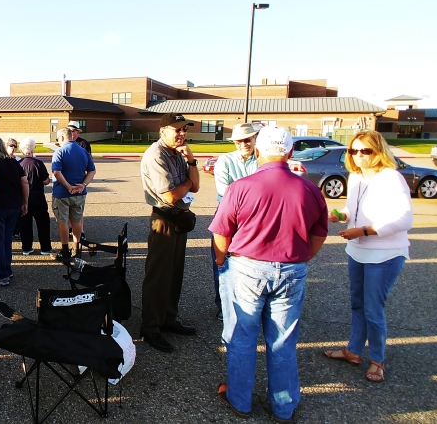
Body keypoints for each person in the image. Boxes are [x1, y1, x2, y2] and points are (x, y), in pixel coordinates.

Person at [209, 126, 328, 423]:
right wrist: (302, 258)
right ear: (290, 151)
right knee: (282, 339)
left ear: (259, 150)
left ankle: (240, 400)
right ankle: (283, 406)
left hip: (247, 268)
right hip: (291, 269)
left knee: (242, 335)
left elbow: (221, 233)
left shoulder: (241, 187)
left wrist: (222, 261)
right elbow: (319, 234)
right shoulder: (309, 189)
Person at [323, 131, 413, 384]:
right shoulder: (356, 177)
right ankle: (353, 350)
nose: (358, 155)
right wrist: (341, 215)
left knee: (373, 309)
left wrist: (364, 230)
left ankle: (377, 360)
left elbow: (404, 219)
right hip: (357, 251)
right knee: (357, 304)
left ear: (378, 151)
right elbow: (353, 208)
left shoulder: (391, 178)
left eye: (365, 151)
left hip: (385, 253)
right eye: (353, 151)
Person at [138, 113, 201, 353]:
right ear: (163, 130)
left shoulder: (178, 154)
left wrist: (191, 161)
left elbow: (196, 186)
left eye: (185, 129)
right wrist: (186, 184)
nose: (182, 133)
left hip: (179, 219)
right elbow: (170, 195)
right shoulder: (156, 155)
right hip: (163, 220)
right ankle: (150, 327)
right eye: (177, 129)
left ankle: (168, 318)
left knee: (174, 273)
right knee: (158, 276)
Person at [209, 123, 259, 320]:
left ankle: (250, 305)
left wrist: (241, 191)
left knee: (253, 262)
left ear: (255, 139)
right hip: (228, 214)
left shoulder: (262, 160)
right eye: (239, 141)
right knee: (222, 262)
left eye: (247, 140)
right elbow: (224, 190)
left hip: (255, 217)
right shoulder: (225, 160)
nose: (243, 144)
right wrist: (254, 194)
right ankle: (224, 305)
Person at [0, 137, 29, 286]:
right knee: (7, 239)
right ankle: (7, 268)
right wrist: (25, 202)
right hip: (13, 205)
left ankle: (1, 275)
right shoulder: (13, 162)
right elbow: (24, 181)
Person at [51, 126, 96, 260]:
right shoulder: (83, 151)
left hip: (62, 194)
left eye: (58, 139)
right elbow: (92, 171)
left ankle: (65, 250)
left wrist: (68, 186)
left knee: (63, 221)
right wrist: (83, 184)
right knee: (76, 221)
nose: (58, 141)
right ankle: (76, 249)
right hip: (79, 193)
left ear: (62, 137)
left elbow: (56, 172)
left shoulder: (59, 152)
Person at [17, 138, 53, 256]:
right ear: (33, 149)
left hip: (23, 197)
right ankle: (45, 247)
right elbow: (46, 181)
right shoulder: (38, 163)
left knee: (25, 223)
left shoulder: (18, 164)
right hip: (38, 197)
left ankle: (26, 247)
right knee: (43, 223)